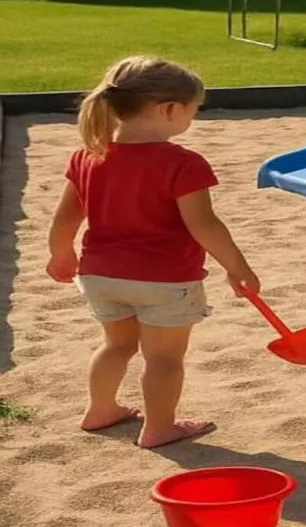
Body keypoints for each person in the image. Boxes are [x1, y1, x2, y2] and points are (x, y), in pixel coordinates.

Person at [46, 55, 258, 449]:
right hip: (164, 279)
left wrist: (61, 255)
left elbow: (65, 220)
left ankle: (101, 410)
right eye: (194, 110)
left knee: (116, 344)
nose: (191, 119)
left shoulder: (87, 155)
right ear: (170, 110)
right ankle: (159, 428)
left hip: (100, 276)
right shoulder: (183, 163)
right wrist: (237, 267)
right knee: (164, 357)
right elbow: (204, 225)